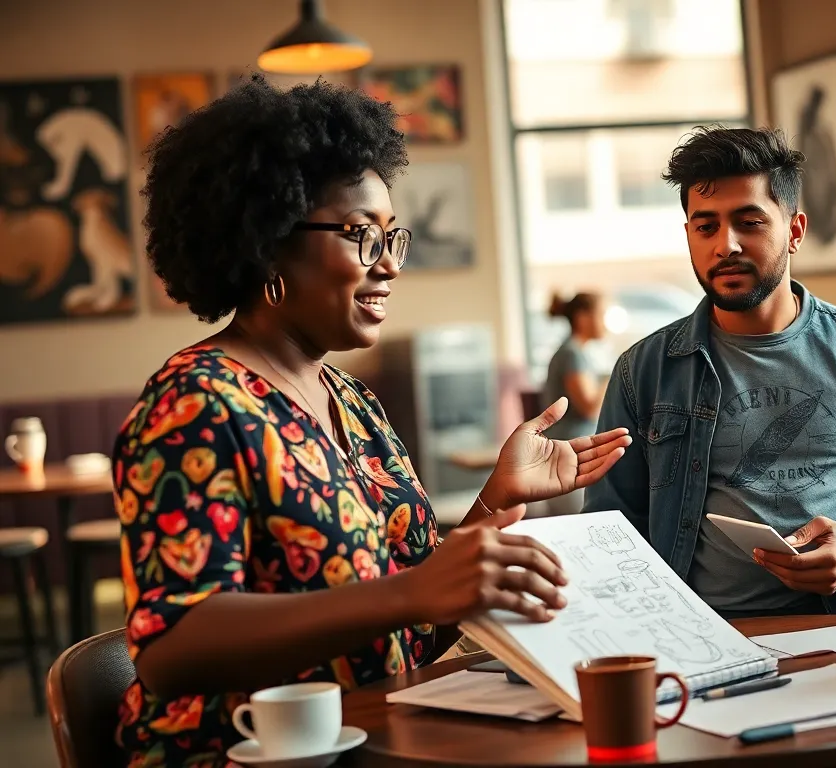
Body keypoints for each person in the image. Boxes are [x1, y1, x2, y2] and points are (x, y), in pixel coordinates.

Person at [114, 75, 631, 768]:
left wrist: (495, 504)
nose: (388, 265)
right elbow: (172, 649)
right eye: (360, 235)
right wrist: (409, 592)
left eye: (393, 237)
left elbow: (412, 616)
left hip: (377, 741)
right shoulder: (194, 407)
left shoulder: (351, 402)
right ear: (268, 243)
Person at [582, 125, 836, 620]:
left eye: (749, 222)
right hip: (703, 636)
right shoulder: (644, 370)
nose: (725, 246)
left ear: (795, 231)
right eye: (705, 226)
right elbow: (609, 526)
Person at [540, 291, 610, 515]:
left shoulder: (578, 353)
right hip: (567, 454)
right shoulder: (571, 354)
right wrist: (614, 374)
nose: (605, 323)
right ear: (582, 318)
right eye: (601, 315)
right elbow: (589, 407)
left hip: (572, 454)